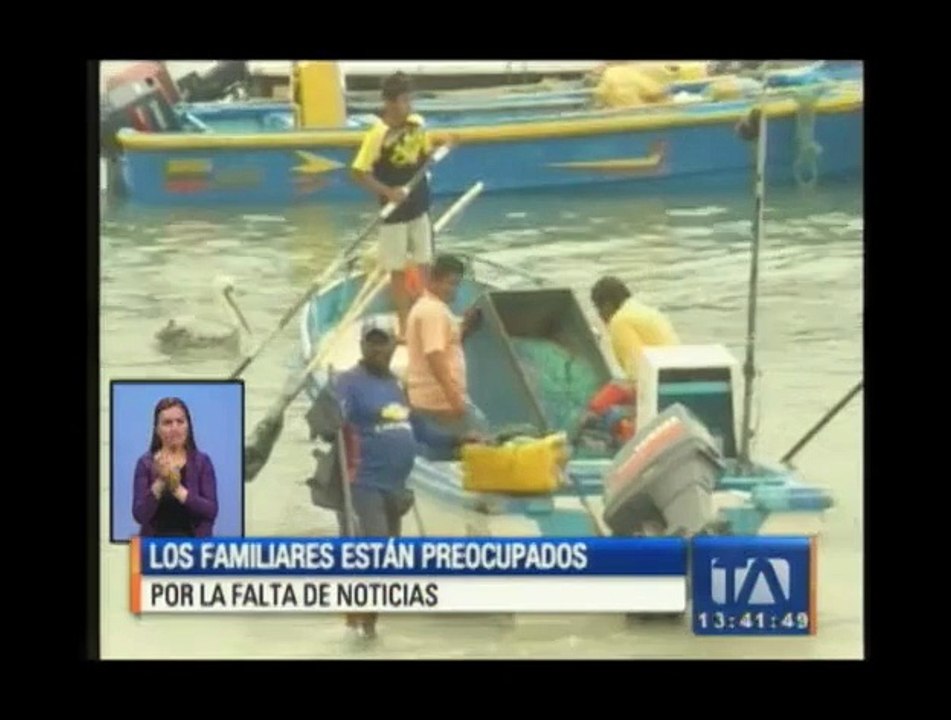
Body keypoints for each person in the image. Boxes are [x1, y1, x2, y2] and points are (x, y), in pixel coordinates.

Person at [331, 317, 419, 640]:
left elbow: (416, 427)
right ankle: (357, 632)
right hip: (363, 484)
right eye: (372, 341)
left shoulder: (396, 384)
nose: (378, 348)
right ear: (362, 346)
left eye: (384, 341)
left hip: (394, 488)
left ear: (395, 345)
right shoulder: (348, 382)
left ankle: (369, 631)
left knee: (386, 564)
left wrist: (457, 440)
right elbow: (330, 423)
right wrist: (331, 412)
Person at [350, 71, 453, 340]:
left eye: (410, 99)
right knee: (396, 269)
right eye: (405, 100)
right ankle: (405, 326)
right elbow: (359, 172)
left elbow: (424, 154)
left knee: (425, 262)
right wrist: (387, 191)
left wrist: (439, 148)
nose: (410, 106)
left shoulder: (417, 124)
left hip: (420, 204)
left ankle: (427, 316)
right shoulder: (378, 135)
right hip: (393, 213)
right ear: (390, 103)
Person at [405, 254, 487, 459]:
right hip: (440, 401)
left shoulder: (428, 308)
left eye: (457, 284)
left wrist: (464, 327)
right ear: (434, 280)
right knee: (479, 438)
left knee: (446, 448)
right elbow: (434, 355)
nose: (454, 290)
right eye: (450, 283)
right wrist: (455, 399)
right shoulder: (434, 312)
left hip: (427, 398)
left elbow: (442, 343)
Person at [132, 397, 219, 537]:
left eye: (180, 421)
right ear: (157, 429)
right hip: (155, 550)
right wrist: (161, 481)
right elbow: (139, 514)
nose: (175, 428)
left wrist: (177, 488)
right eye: (167, 423)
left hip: (195, 547)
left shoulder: (202, 462)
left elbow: (210, 511)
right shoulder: (145, 464)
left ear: (188, 426)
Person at [590, 276, 680, 382]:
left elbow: (635, 369)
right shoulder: (645, 311)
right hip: (674, 375)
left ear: (607, 305)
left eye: (598, 308)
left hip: (658, 382)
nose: (599, 315)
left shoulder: (620, 321)